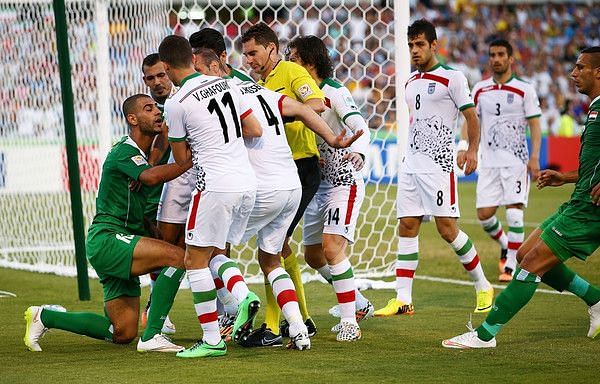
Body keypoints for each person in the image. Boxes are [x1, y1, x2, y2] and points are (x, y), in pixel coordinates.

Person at [193, 49, 363, 347]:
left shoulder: (222, 95)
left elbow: (247, 129)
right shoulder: (260, 89)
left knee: (213, 250)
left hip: (263, 187)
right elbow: (303, 109)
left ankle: (242, 301)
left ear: (217, 69)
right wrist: (333, 139)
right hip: (291, 186)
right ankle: (298, 329)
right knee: (271, 259)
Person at [443, 46, 600, 349]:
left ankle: (484, 335)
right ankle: (594, 299)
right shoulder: (593, 109)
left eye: (580, 67)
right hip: (578, 200)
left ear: (598, 72)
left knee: (531, 265)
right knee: (523, 253)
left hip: (589, 210)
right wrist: (564, 177)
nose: (573, 73)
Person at [24, 94, 192, 353]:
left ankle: (44, 317)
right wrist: (189, 161)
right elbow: (150, 178)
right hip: (109, 238)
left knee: (121, 332)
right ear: (132, 119)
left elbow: (137, 193)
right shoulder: (124, 150)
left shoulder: (139, 157)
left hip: (116, 242)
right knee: (178, 258)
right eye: (148, 109)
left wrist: (151, 229)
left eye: (157, 108)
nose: (157, 112)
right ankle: (154, 335)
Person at [375, 19, 493, 317]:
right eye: (411, 45)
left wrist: (471, 149)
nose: (414, 50)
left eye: (419, 45)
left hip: (439, 167)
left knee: (447, 229)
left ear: (433, 45)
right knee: (407, 225)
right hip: (411, 166)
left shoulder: (453, 78)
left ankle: (483, 286)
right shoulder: (410, 82)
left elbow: (471, 117)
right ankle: (402, 298)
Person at [159, 35, 262, 358]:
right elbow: (254, 129)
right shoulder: (228, 83)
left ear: (165, 66)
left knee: (194, 259)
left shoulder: (176, 102)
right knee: (215, 251)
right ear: (192, 58)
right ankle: (241, 297)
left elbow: (179, 158)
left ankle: (212, 338)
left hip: (214, 184)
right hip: (247, 181)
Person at [240, 22, 325, 345]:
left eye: (253, 53)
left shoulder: (289, 70)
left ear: (272, 49)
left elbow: (316, 103)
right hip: (282, 172)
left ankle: (276, 326)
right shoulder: (260, 83)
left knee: (272, 249)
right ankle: (299, 319)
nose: (248, 60)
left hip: (301, 167)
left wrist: (282, 114)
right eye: (245, 54)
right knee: (278, 247)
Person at [286, 35, 373, 340]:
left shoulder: (333, 92)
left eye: (293, 58)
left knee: (332, 247)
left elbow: (359, 125)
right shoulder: (298, 95)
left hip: (343, 181)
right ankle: (359, 303)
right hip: (315, 185)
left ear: (310, 62)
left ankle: (350, 322)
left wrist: (359, 151)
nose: (289, 62)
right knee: (312, 256)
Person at [465, 39, 542, 282]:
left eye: (501, 54)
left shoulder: (524, 89)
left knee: (514, 215)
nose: (496, 59)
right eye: (492, 55)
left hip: (516, 163)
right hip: (488, 162)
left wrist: (534, 157)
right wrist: (464, 148)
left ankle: (510, 266)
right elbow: (470, 121)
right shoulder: (480, 89)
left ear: (510, 59)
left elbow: (535, 125)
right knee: (484, 215)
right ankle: (508, 245)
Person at [140, 53, 179, 334]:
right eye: (150, 78)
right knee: (161, 248)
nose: (156, 82)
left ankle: (227, 308)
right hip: (159, 192)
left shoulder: (186, 99)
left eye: (160, 75)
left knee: (212, 248)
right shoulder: (147, 110)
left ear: (169, 71)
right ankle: (157, 310)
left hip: (193, 185)